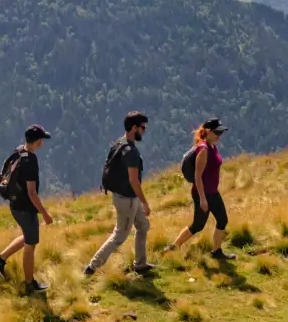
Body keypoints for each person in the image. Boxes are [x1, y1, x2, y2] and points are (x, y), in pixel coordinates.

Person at [85, 111, 156, 277]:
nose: (144, 131)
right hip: (127, 200)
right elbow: (133, 180)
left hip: (127, 197)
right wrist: (145, 202)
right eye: (142, 128)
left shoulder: (119, 143)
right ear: (134, 128)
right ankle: (92, 267)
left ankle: (140, 264)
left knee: (143, 226)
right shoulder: (130, 151)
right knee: (120, 236)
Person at [0, 124, 54, 294]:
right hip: (26, 208)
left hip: (15, 204)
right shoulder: (30, 161)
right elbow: (32, 193)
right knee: (31, 244)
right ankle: (29, 284)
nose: (43, 142)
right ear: (38, 141)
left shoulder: (19, 151)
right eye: (42, 139)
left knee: (27, 236)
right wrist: (45, 214)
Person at [166, 118, 234, 261]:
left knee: (222, 220)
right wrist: (203, 199)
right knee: (198, 225)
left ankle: (217, 252)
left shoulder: (212, 145)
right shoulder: (203, 149)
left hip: (212, 192)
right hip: (202, 193)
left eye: (221, 132)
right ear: (208, 131)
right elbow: (197, 177)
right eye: (217, 132)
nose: (219, 136)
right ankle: (174, 246)